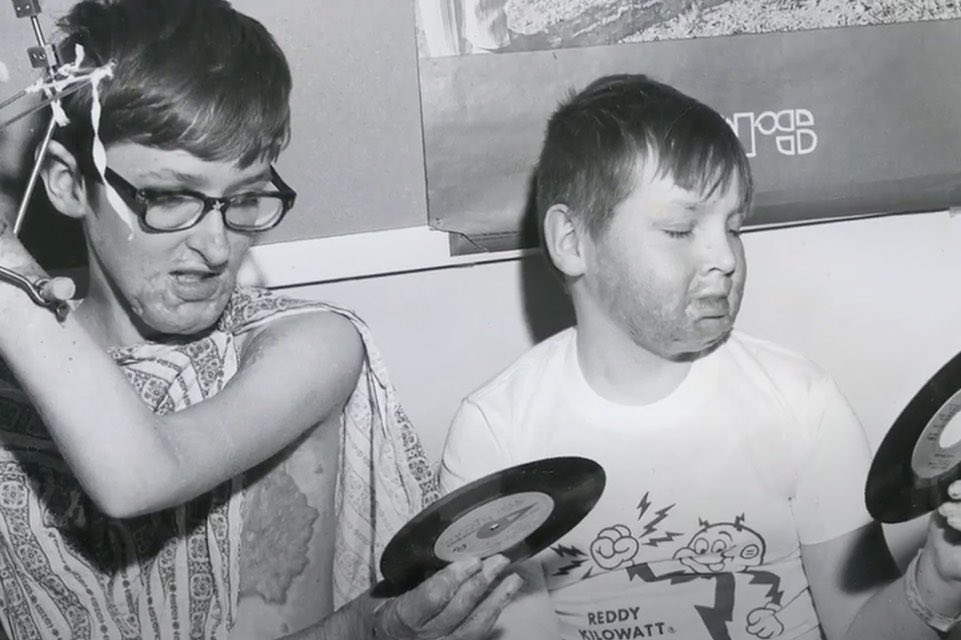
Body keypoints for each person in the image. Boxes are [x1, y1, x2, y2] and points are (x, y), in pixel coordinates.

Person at [0, 1, 520, 638]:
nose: (218, 248)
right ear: (67, 183)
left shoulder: (306, 347)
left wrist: (371, 629)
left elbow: (138, 474)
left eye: (242, 198)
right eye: (169, 198)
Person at [439, 73, 961, 640]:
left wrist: (936, 582)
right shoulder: (497, 435)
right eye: (681, 228)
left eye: (734, 227)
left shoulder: (801, 403)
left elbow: (860, 629)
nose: (725, 257)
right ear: (572, 241)